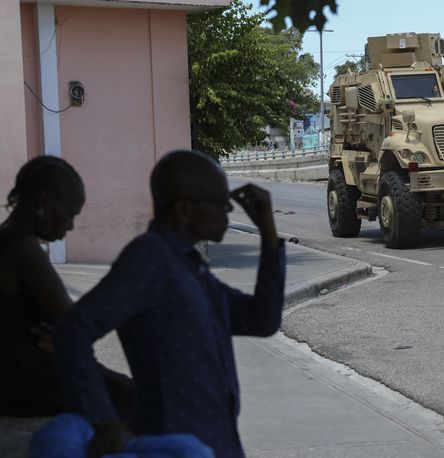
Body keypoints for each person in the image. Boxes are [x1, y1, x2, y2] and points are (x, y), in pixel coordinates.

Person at [54, 149, 285, 458]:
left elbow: (262, 320)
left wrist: (268, 232)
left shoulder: (189, 266)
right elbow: (72, 330)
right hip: (172, 443)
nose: (228, 209)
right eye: (218, 202)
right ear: (184, 210)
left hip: (217, 440)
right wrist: (104, 421)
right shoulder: (149, 259)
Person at [0, 156, 135, 417]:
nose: (71, 225)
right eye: (71, 212)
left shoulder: (7, 239)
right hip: (32, 385)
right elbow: (75, 326)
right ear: (45, 201)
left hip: (18, 379)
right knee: (143, 399)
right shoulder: (22, 247)